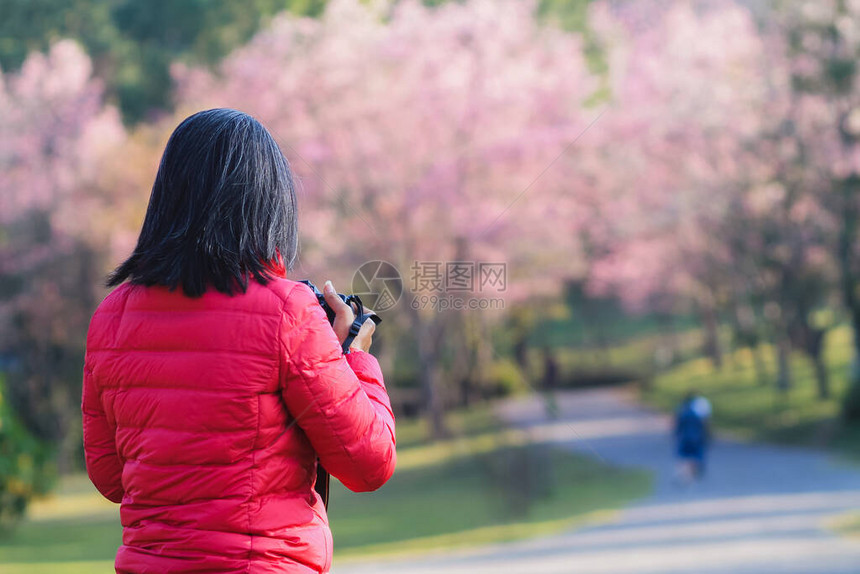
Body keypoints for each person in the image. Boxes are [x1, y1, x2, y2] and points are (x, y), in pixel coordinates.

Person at [82, 109, 397, 573]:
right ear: (269, 205)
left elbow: (113, 478)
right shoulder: (286, 311)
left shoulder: (111, 317)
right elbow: (368, 463)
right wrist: (351, 356)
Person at [673, 391, 711, 484]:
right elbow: (703, 426)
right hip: (696, 437)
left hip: (685, 437)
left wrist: (676, 434)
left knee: (684, 456)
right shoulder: (697, 415)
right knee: (696, 456)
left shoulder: (683, 414)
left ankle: (685, 475)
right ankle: (693, 472)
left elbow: (679, 426)